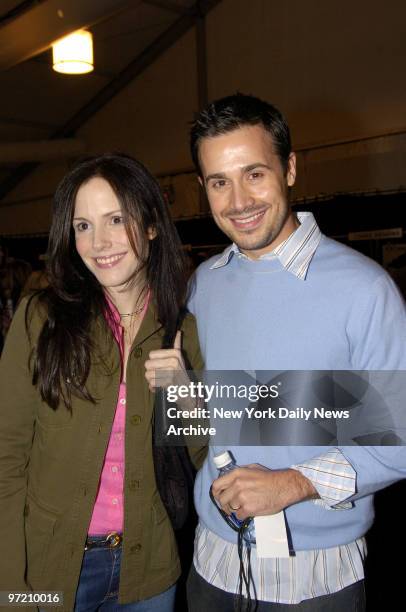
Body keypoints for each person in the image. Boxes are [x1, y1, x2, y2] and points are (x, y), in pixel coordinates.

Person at [186, 94, 406, 610]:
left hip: (315, 579)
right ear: (203, 189)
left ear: (288, 168)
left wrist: (293, 483)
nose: (239, 200)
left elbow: (398, 441)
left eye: (254, 174)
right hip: (211, 563)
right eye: (220, 182)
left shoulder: (364, 290)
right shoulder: (203, 285)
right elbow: (206, 420)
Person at [0, 153, 205, 611]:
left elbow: (203, 455)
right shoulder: (41, 320)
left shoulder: (181, 329)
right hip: (50, 568)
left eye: (116, 219)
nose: (99, 242)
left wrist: (188, 401)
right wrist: (9, 587)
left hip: (148, 571)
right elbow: (5, 458)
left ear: (151, 226)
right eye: (83, 226)